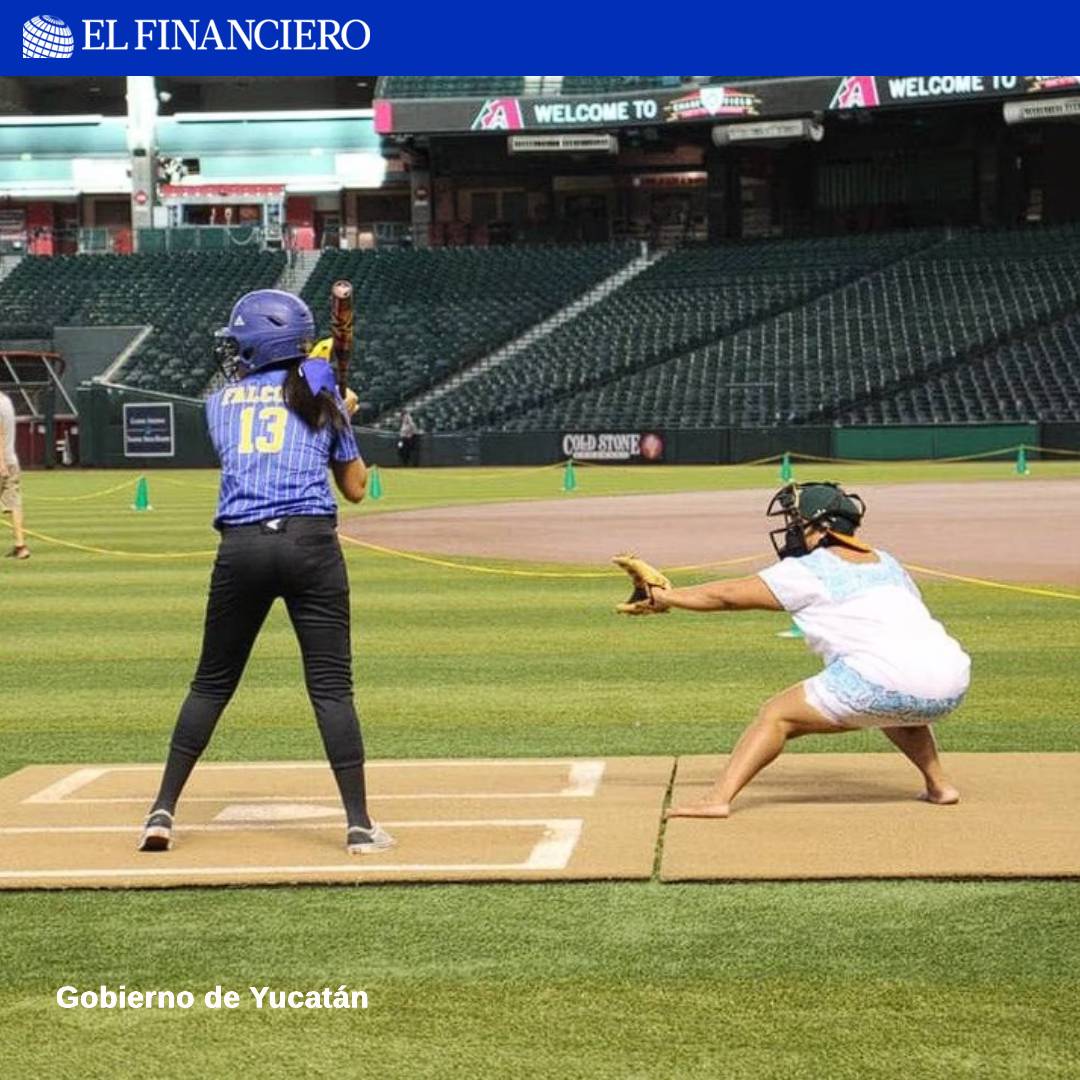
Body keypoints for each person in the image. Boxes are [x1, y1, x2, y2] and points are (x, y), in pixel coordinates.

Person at [139, 289, 394, 855]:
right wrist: (345, 418)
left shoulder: (218, 402)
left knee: (210, 683)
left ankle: (161, 810)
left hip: (241, 548)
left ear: (257, 344)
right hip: (310, 544)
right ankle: (358, 824)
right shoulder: (322, 396)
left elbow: (269, 424)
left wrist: (333, 408)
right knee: (331, 688)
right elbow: (354, 490)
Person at [614, 482, 970, 818]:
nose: (793, 530)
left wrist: (662, 595)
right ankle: (940, 785)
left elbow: (726, 596)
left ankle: (716, 800)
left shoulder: (809, 569)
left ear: (823, 527)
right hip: (952, 681)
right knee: (894, 699)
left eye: (799, 522)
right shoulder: (887, 561)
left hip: (879, 681)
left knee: (776, 715)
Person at [0, 389, 29, 560]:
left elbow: (0, 433)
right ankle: (21, 545)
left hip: (3, 461)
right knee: (15, 503)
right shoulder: (6, 401)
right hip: (12, 460)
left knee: (14, 503)